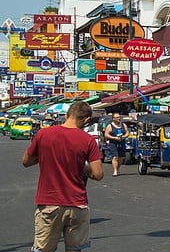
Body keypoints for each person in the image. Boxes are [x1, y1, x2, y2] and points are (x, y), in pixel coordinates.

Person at [21, 101, 104, 252]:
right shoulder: (88, 140)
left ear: (66, 115)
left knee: (43, 249)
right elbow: (98, 174)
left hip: (49, 203)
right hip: (76, 204)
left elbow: (26, 161)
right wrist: (82, 165)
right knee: (74, 249)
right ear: (86, 120)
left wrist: (46, 156)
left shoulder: (43, 134)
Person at [102, 112, 128, 176]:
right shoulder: (110, 126)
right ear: (113, 118)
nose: (119, 118)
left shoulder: (123, 125)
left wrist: (123, 137)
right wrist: (114, 138)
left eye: (119, 117)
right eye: (117, 117)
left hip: (121, 142)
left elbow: (127, 132)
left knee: (121, 157)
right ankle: (115, 171)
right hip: (113, 143)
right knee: (115, 156)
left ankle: (117, 168)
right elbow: (106, 135)